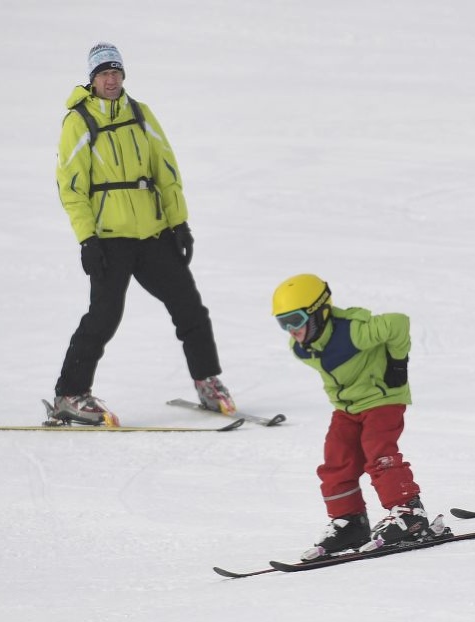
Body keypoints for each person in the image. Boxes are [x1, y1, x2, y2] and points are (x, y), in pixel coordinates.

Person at [50, 42, 234, 426]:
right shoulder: (78, 121)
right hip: (109, 239)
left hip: (153, 234)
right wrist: (87, 239)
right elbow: (71, 188)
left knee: (189, 307)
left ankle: (207, 381)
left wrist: (178, 222)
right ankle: (70, 393)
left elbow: (165, 168)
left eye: (116, 72)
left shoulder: (140, 113)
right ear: (92, 78)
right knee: (104, 316)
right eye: (104, 73)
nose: (111, 79)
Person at [272, 273, 433, 560]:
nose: (290, 330)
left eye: (295, 320)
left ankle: (410, 513)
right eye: (283, 323)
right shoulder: (301, 348)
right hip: (347, 409)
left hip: (382, 399)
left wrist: (398, 363)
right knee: (336, 460)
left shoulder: (353, 332)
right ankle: (349, 522)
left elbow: (399, 323)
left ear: (318, 311)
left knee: (378, 454)